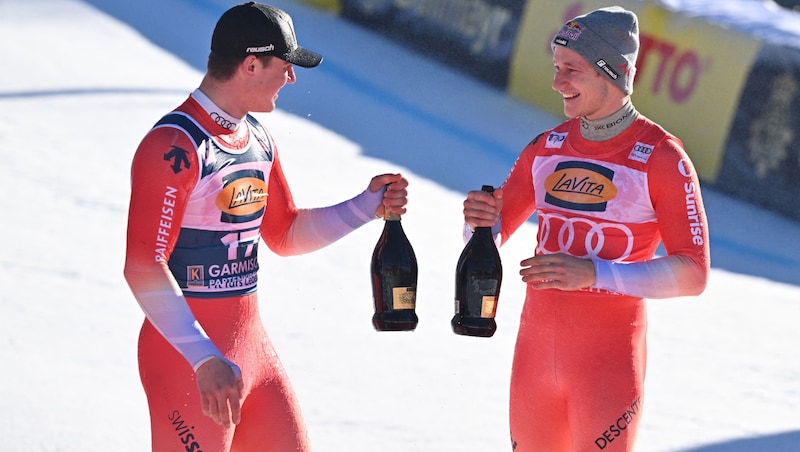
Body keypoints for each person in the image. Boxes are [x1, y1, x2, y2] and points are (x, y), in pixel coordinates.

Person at [123, 3, 408, 451]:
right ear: (251, 64)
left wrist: (365, 206)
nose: (292, 78)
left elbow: (284, 233)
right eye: (285, 66)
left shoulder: (255, 138)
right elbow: (142, 265)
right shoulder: (175, 145)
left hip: (251, 352)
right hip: (187, 360)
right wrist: (203, 359)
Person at [461, 6, 710, 451]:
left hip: (607, 369)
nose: (557, 83)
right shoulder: (546, 146)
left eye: (571, 69)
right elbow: (486, 240)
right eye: (556, 68)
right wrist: (478, 224)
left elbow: (694, 274)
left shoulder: (662, 157)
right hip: (534, 364)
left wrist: (594, 273)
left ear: (610, 73)